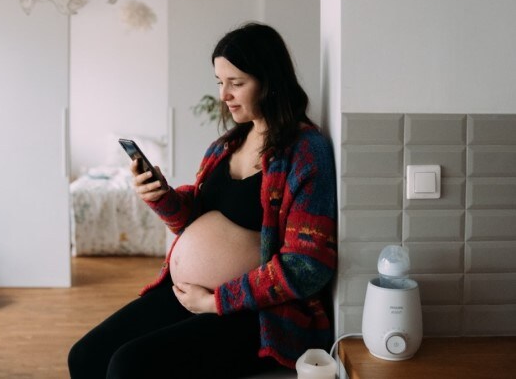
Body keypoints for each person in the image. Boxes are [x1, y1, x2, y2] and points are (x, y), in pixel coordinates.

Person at [68, 22, 337, 379]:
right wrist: (161, 196)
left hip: (257, 314)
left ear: (270, 82)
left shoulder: (305, 151)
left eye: (236, 83)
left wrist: (216, 301)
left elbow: (309, 266)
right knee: (85, 356)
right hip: (189, 296)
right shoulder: (226, 145)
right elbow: (195, 215)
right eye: (219, 82)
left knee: (127, 366)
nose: (223, 95)